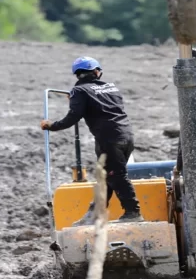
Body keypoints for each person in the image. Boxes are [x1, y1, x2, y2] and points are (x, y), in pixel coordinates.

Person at [40, 56, 144, 226]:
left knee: (116, 175)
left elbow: (73, 116)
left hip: (108, 139)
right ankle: (95, 213)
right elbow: (101, 103)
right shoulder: (111, 87)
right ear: (96, 72)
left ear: (77, 74)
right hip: (127, 135)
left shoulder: (79, 91)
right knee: (106, 177)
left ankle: (133, 211)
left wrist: (51, 125)